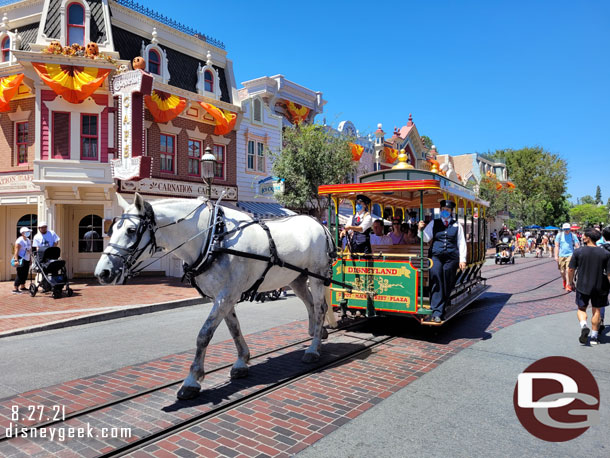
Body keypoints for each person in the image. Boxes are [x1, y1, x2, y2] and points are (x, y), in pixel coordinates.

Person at [418, 200, 467, 323]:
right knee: (436, 279)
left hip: (451, 258)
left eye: (447, 210)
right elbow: (425, 238)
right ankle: (437, 312)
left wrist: (463, 259)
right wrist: (420, 230)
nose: (445, 211)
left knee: (447, 282)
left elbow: (461, 242)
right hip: (436, 256)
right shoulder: (434, 223)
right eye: (443, 209)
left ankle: (442, 307)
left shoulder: (457, 225)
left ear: (451, 211)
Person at [567, 229, 610, 346]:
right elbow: (609, 273)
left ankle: (584, 326)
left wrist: (570, 283)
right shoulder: (605, 253)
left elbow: (571, 269)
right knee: (597, 310)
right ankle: (594, 337)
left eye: (584, 236)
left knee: (581, 309)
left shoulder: (578, 251)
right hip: (600, 286)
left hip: (582, 285)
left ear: (588, 238)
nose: (583, 237)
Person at [555, 222, 580, 289]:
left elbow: (577, 245)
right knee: (562, 271)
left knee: (568, 270)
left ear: (570, 229)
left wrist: (579, 254)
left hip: (570, 254)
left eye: (568, 229)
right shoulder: (559, 235)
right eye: (565, 229)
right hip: (561, 255)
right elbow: (556, 246)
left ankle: (568, 284)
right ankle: (565, 280)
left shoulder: (573, 235)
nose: (566, 230)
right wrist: (556, 256)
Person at [13, 227, 32, 293]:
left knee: (25, 273)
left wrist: (30, 259)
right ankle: (15, 288)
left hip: (27, 258)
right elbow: (16, 251)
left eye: (28, 232)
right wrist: (16, 260)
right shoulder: (19, 240)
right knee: (20, 273)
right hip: (21, 258)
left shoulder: (28, 240)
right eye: (27, 232)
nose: (28, 233)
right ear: (22, 233)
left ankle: (22, 286)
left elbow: (29, 250)